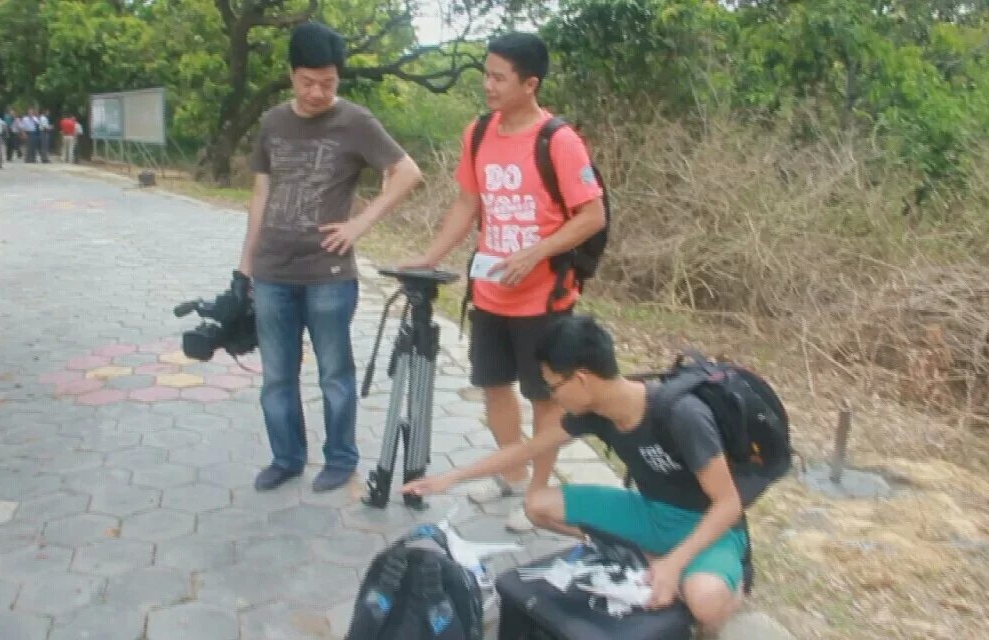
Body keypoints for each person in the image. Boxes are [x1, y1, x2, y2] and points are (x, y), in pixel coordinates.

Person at [403, 315, 749, 634]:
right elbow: (528, 449)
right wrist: (452, 477)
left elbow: (729, 504)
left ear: (581, 378)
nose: (552, 395)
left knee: (704, 602)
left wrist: (675, 564)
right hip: (649, 513)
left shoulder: (681, 415)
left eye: (553, 386)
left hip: (710, 527)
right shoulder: (593, 412)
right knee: (538, 505)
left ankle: (732, 585)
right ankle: (649, 558)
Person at [399, 32, 605, 532]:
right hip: (491, 293)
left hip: (545, 298)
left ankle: (539, 493)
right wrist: (429, 257)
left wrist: (536, 252)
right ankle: (512, 473)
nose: (488, 85)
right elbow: (467, 204)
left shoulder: (557, 140)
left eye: (499, 78)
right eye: (486, 75)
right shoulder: (477, 133)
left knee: (545, 398)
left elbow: (592, 215)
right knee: (493, 387)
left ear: (530, 84)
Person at [238, 21, 424, 493]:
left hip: (329, 275)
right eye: (308, 82)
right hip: (272, 273)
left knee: (334, 375)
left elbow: (407, 173)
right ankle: (286, 458)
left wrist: (359, 225)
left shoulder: (355, 121)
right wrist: (245, 265)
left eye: (328, 82)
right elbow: (261, 193)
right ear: (291, 74)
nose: (318, 92)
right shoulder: (272, 122)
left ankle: (340, 459)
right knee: (276, 377)